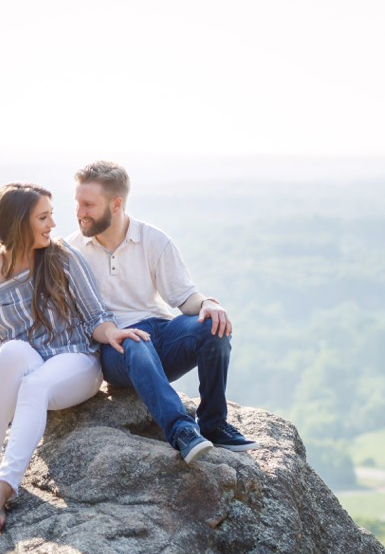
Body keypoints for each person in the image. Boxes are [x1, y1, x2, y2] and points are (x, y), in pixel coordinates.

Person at [0, 183, 151, 532]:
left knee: (35, 386)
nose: (53, 224)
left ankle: (3, 488)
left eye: (51, 215)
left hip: (76, 360)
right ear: (18, 223)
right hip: (31, 362)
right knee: (10, 352)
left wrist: (111, 334)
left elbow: (96, 316)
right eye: (43, 217)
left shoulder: (62, 256)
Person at [64, 160, 257, 462]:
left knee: (213, 326)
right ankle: (181, 430)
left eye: (88, 204)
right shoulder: (71, 253)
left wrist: (208, 304)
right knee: (136, 342)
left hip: (162, 335)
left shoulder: (153, 240)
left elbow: (184, 297)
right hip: (117, 347)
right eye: (77, 203)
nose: (79, 212)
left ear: (116, 205)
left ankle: (214, 424)